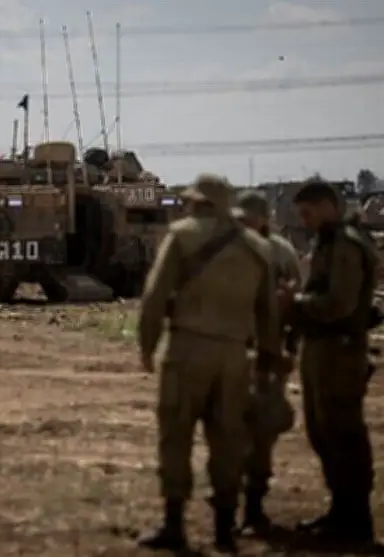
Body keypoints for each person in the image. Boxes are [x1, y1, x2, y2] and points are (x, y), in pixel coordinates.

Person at [137, 174, 281, 553]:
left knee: (176, 435)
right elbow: (268, 311)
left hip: (188, 347)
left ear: (196, 201)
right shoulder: (257, 247)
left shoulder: (182, 235)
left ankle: (174, 524)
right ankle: (224, 528)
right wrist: (269, 356)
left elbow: (154, 296)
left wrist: (147, 346)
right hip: (235, 355)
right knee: (228, 438)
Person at [280, 178, 377, 544]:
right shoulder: (328, 242)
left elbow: (340, 303)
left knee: (342, 433)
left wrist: (295, 304)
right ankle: (340, 512)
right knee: (323, 432)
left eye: (308, 213)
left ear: (327, 206)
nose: (304, 221)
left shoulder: (345, 245)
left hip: (340, 350)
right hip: (323, 349)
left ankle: (354, 520)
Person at [231, 191, 302, 533]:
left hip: (268, 353)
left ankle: (254, 507)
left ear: (264, 218)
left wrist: (290, 349)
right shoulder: (231, 249)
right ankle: (229, 505)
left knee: (261, 431)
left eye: (250, 217)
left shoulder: (280, 252)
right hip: (233, 350)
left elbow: (295, 303)